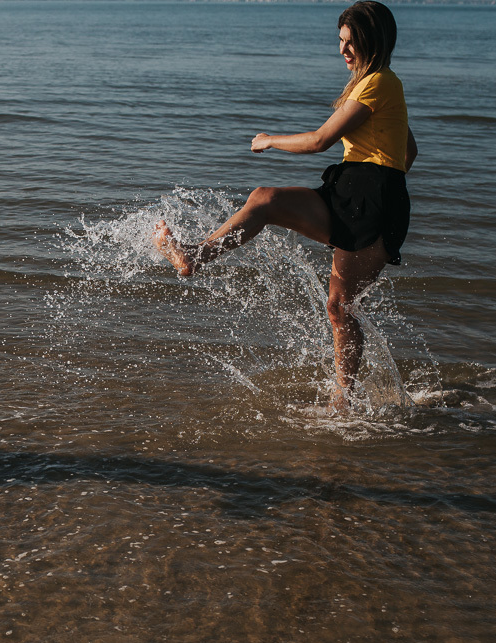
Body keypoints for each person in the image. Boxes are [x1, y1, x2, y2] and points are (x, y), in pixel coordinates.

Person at [154, 0, 417, 410]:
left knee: (339, 307)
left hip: (369, 200)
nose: (343, 51)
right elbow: (408, 149)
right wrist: (383, 175)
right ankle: (192, 256)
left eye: (351, 42)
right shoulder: (375, 86)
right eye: (341, 42)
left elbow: (319, 141)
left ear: (373, 41)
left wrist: (269, 140)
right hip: (355, 190)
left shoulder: (379, 82)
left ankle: (343, 400)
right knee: (265, 200)